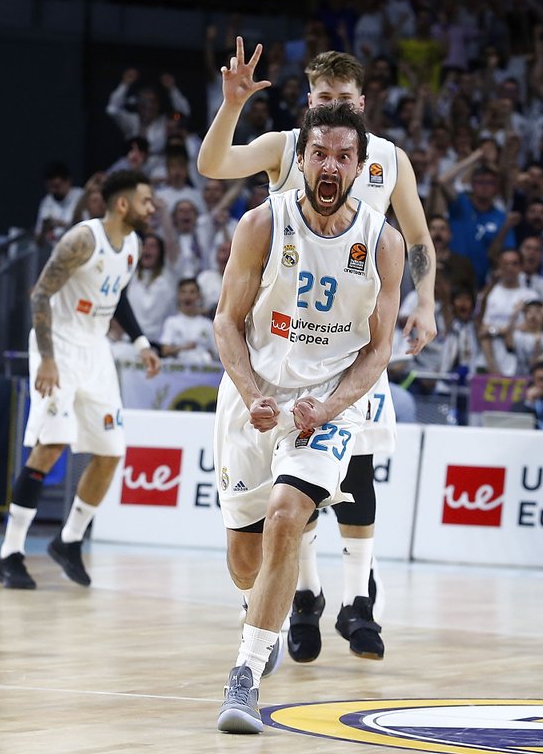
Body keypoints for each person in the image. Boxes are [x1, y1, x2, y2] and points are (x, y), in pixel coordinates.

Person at [198, 41, 437, 665]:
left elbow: (417, 237)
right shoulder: (286, 147)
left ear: (363, 104)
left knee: (353, 471)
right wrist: (231, 107)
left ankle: (357, 600)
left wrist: (426, 301)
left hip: (348, 339)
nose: (336, 108)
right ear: (309, 105)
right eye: (324, 99)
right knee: (258, 533)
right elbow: (214, 162)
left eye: (345, 100)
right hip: (280, 337)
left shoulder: (389, 160)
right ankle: (300, 595)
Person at [211, 104, 404, 733]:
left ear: (360, 167)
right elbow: (226, 322)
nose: (330, 166)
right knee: (245, 560)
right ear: (302, 160)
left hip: (324, 404)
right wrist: (251, 393)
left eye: (343, 156)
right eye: (319, 153)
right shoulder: (262, 224)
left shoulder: (384, 243)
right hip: (254, 396)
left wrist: (329, 406)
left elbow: (378, 350)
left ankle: (244, 676)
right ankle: (257, 609)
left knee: (288, 515)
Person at [0, 169, 161, 589]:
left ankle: (68, 541)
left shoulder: (133, 244)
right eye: (146, 201)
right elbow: (40, 294)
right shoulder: (82, 239)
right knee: (51, 446)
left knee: (111, 451)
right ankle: (9, 553)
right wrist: (47, 359)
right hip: (60, 346)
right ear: (122, 204)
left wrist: (141, 342)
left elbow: (116, 295)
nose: (152, 208)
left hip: (95, 349)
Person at [158, 279, 218, 364]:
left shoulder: (208, 324)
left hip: (203, 369)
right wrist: (184, 347)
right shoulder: (171, 322)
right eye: (183, 292)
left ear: (199, 295)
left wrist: (204, 353)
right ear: (178, 295)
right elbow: (165, 350)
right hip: (177, 368)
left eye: (192, 292)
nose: (187, 296)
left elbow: (216, 352)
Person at [36, 161, 85, 244]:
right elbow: (38, 243)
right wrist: (44, 230)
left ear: (68, 181)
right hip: (56, 249)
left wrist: (62, 224)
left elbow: (87, 229)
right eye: (50, 187)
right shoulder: (47, 201)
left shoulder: (81, 196)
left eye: (56, 186)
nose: (53, 191)